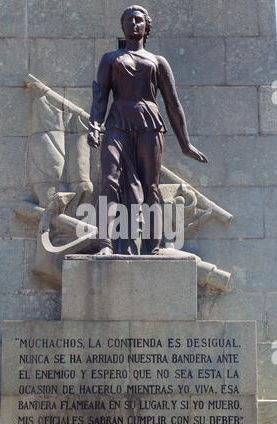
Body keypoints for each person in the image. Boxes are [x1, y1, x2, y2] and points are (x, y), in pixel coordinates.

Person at [88, 5, 207, 255]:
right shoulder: (110, 59)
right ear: (123, 26)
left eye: (138, 20)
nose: (133, 23)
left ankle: (151, 245)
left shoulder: (158, 62)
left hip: (150, 125)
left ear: (146, 26)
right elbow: (100, 96)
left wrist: (185, 144)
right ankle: (105, 243)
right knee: (109, 181)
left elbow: (173, 104)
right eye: (129, 20)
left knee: (150, 186)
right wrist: (95, 125)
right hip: (117, 123)